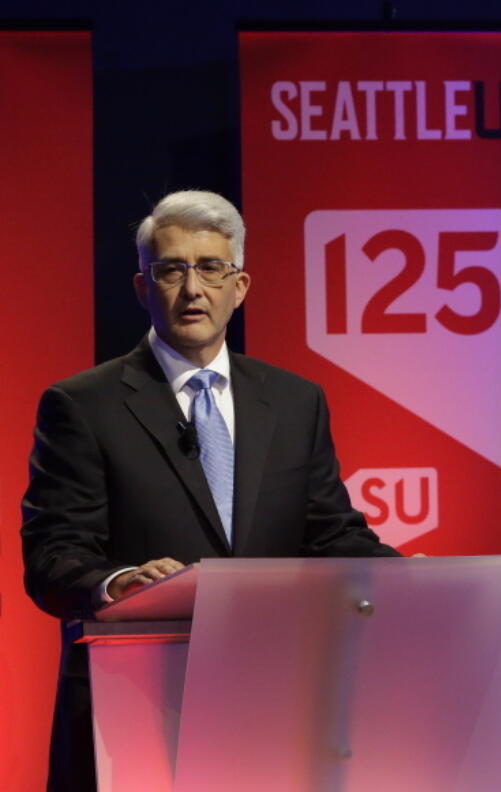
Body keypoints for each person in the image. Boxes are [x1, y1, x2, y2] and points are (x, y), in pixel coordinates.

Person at [21, 190, 401, 792]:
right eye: (171, 269)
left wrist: (413, 584)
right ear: (144, 288)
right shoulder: (82, 405)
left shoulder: (295, 401)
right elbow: (51, 554)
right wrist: (120, 583)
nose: (192, 288)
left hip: (270, 706)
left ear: (240, 285)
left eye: (210, 268)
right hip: (134, 709)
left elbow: (331, 533)